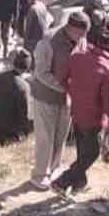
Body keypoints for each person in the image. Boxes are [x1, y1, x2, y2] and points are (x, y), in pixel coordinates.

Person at [50, 24, 109, 194]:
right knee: (92, 154)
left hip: (76, 112)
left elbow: (60, 77)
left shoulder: (77, 57)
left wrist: (72, 91)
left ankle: (79, 184)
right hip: (94, 119)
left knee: (83, 152)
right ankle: (62, 182)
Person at [30, 12, 88, 189]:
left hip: (67, 99)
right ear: (70, 27)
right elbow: (41, 73)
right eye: (79, 33)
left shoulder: (80, 40)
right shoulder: (48, 41)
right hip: (46, 97)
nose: (82, 38)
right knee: (45, 139)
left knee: (60, 137)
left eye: (84, 34)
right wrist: (66, 87)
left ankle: (54, 169)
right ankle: (40, 175)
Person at [0, 50, 31, 145]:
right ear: (27, 68)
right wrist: (26, 132)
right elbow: (23, 113)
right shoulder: (23, 86)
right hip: (12, 133)